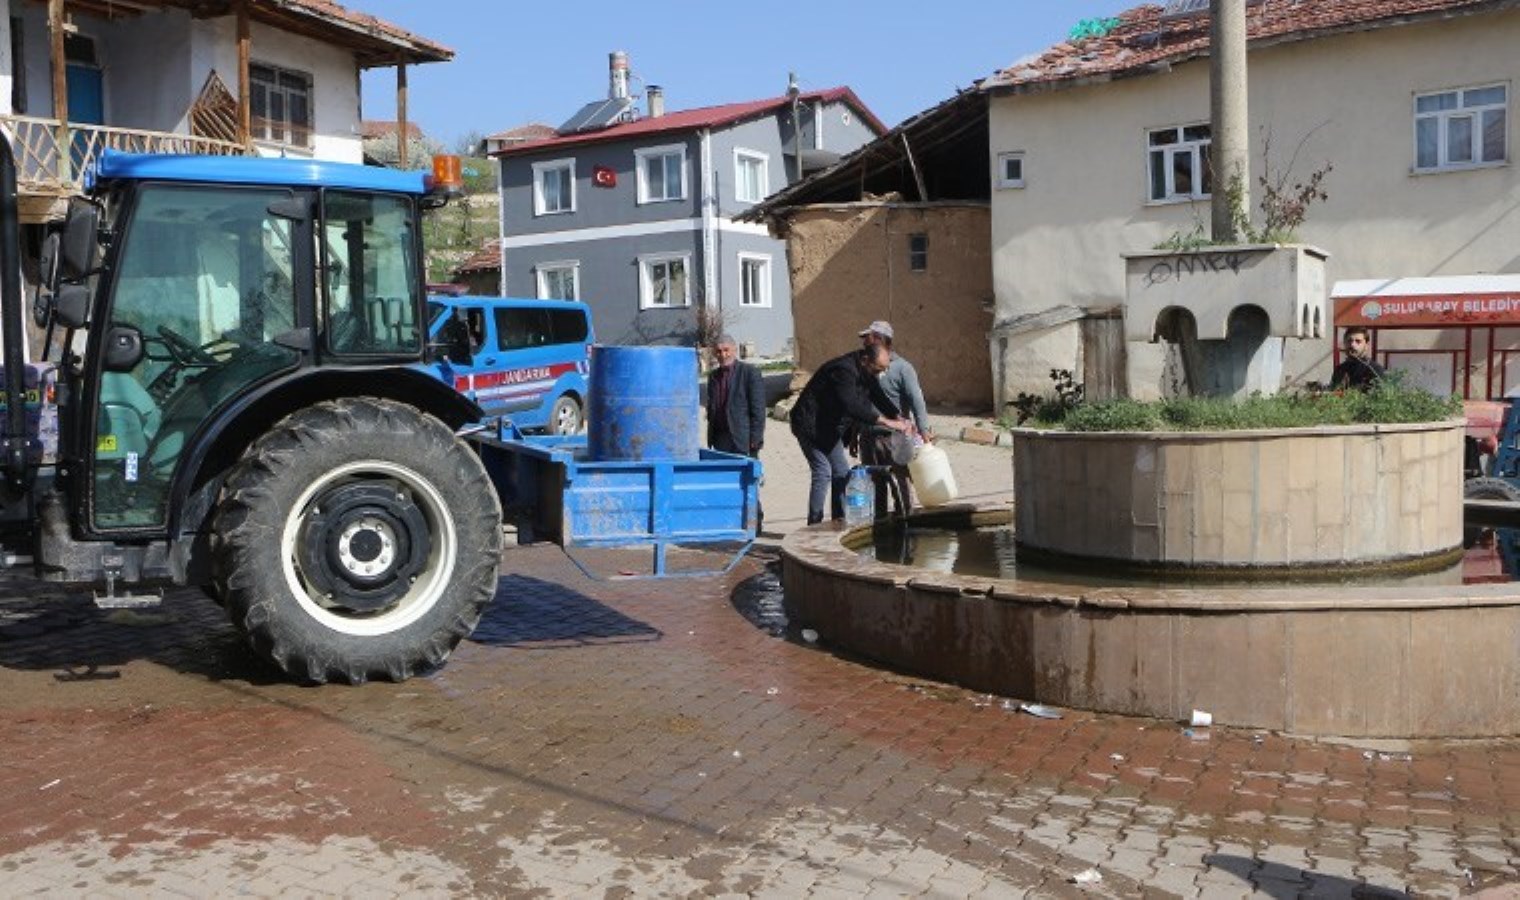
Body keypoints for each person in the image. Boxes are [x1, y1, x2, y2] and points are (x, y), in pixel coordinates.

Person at [790, 344, 912, 525]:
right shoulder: (843, 371)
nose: (880, 373)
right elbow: (853, 406)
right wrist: (887, 422)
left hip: (829, 428)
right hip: (808, 425)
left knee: (841, 472)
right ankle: (814, 525)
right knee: (823, 472)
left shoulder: (867, 371)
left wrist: (898, 416)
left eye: (884, 370)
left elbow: (877, 395)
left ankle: (838, 520)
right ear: (866, 361)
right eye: (879, 369)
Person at [859, 321, 932, 515]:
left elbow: (917, 400)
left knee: (902, 484)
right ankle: (881, 526)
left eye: (868, 338)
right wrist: (853, 433)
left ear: (880, 340)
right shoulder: (864, 367)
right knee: (876, 485)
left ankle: (907, 523)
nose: (864, 342)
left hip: (896, 438)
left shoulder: (902, 368)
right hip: (869, 437)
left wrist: (924, 431)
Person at [706, 333, 766, 530]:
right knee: (726, 480)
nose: (723, 355)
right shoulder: (713, 377)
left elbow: (758, 409)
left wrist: (755, 439)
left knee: (748, 481)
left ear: (734, 350)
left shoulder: (749, 373)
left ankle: (754, 522)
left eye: (726, 350)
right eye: (719, 351)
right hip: (721, 437)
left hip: (743, 438)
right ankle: (732, 521)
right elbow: (712, 406)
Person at [1330, 326, 1384, 391]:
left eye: (1358, 341)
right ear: (1344, 343)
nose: (1352, 344)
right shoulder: (1339, 370)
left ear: (1366, 345)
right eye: (1349, 341)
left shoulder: (1374, 370)